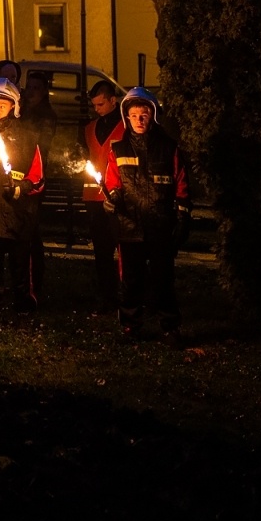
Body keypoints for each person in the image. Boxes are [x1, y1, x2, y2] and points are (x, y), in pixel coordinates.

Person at [102, 88, 190, 343]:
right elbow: (111, 181)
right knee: (131, 281)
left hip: (160, 224)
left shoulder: (169, 148)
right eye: (134, 115)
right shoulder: (117, 150)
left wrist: (183, 216)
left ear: (153, 115)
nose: (139, 120)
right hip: (130, 226)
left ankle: (170, 327)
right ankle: (131, 325)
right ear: (126, 118)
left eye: (144, 114)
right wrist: (113, 198)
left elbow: (181, 183)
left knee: (164, 279)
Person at [0, 79, 46, 314]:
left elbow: (38, 177)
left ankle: (24, 302)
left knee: (20, 261)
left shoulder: (27, 138)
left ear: (13, 106)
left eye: (2, 105)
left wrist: (20, 188)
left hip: (18, 211)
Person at [81, 78, 126, 310]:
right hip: (94, 198)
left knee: (125, 248)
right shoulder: (89, 128)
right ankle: (107, 294)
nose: (96, 110)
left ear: (113, 101)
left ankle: (127, 292)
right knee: (101, 250)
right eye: (94, 105)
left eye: (100, 104)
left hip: (118, 197)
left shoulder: (125, 127)